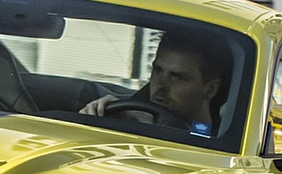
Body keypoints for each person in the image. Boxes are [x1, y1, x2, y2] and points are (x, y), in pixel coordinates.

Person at [81, 30, 230, 137]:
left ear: (210, 89)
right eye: (158, 71)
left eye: (177, 77)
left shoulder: (221, 140)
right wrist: (98, 114)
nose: (161, 86)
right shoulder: (128, 116)